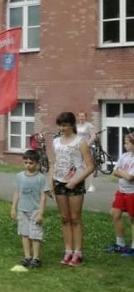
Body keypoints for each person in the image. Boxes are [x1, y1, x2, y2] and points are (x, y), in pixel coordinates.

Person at [49, 111, 94, 267]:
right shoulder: (55, 142)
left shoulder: (80, 141)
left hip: (75, 182)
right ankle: (68, 250)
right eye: (60, 125)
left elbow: (90, 166)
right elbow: (52, 163)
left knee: (75, 218)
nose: (62, 128)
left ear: (72, 125)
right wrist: (50, 182)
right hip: (59, 182)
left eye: (65, 125)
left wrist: (75, 181)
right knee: (65, 218)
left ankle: (78, 252)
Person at [10, 149, 50, 269]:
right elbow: (17, 192)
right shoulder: (19, 177)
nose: (28, 165)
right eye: (26, 162)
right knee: (25, 234)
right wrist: (13, 208)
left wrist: (40, 213)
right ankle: (27, 257)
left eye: (31, 163)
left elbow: (43, 197)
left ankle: (36, 258)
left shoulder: (41, 178)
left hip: (35, 210)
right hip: (23, 210)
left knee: (35, 235)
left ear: (37, 163)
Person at [107, 132, 134, 256]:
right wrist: (123, 172)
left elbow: (130, 177)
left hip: (132, 193)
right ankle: (120, 244)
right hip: (121, 191)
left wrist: (122, 172)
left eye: (127, 143)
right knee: (115, 214)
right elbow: (115, 171)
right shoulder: (124, 156)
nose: (125, 145)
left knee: (132, 219)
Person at [76, 111, 98, 193]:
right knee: (80, 167)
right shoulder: (76, 126)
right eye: (80, 116)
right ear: (78, 117)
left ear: (85, 117)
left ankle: (91, 185)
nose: (81, 117)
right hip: (78, 148)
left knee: (88, 166)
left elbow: (93, 135)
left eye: (83, 116)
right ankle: (82, 185)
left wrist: (88, 143)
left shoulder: (89, 125)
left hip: (86, 148)